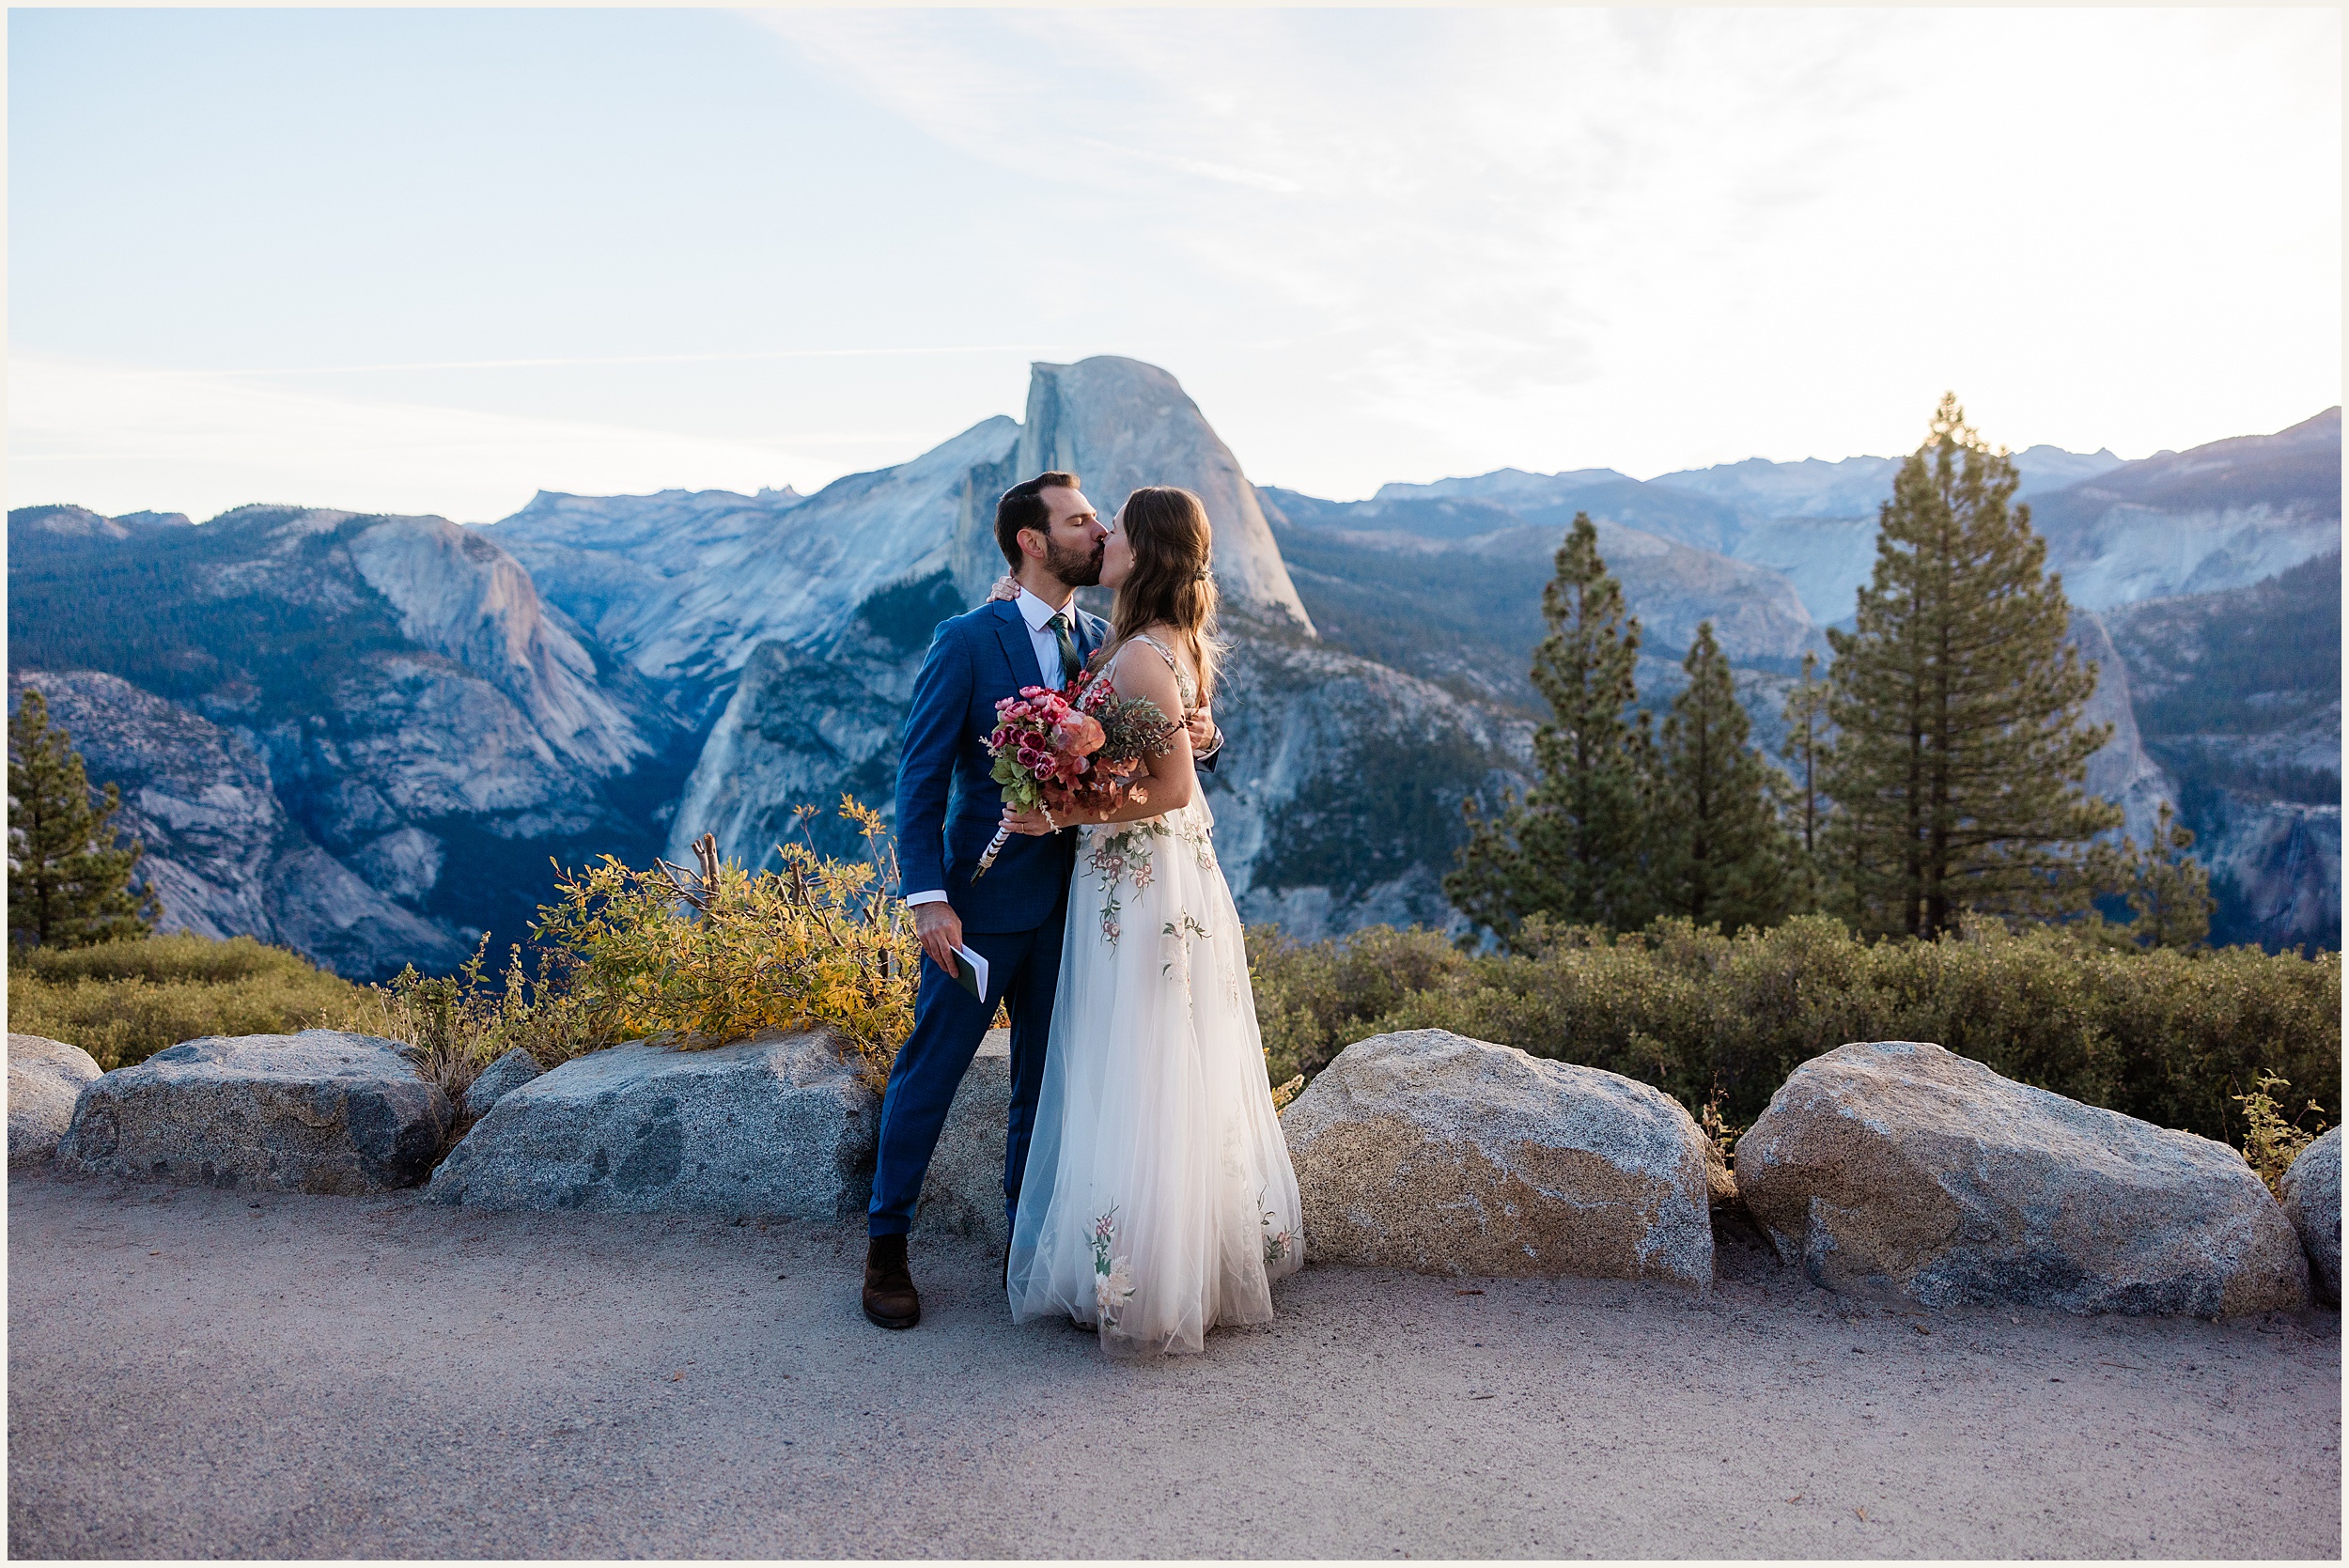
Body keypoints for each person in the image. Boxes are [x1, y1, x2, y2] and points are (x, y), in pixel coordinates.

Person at [869, 473, 1222, 1330]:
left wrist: (1208, 734)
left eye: (1101, 519)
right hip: (979, 905)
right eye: (1078, 521)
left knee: (1045, 1083)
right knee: (932, 1066)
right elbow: (917, 783)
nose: (1098, 530)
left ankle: (1025, 1246)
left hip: (1079, 906)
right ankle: (885, 1246)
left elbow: (1168, 723)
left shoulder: (1105, 640)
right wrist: (927, 900)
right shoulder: (966, 640)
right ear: (1032, 541)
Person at [1000, 485, 1303, 1357]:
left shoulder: (1136, 655)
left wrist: (1061, 814)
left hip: (1136, 883)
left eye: (1119, 530)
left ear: (1149, 552)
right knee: (1160, 1055)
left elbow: (1168, 785)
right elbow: (1179, 749)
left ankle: (1138, 1271)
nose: (1105, 538)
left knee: (1134, 1054)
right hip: (1155, 873)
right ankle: (1164, 1255)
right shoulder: (1164, 643)